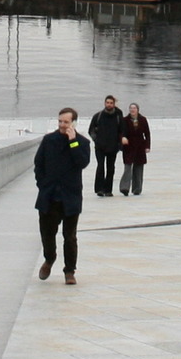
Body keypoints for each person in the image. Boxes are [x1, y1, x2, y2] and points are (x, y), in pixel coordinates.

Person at [34, 108, 91, 285]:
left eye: (65, 122)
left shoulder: (82, 142)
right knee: (47, 233)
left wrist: (72, 141)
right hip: (49, 196)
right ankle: (49, 259)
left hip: (70, 197)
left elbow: (82, 162)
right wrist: (42, 184)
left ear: (73, 123)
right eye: (60, 121)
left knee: (70, 236)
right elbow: (38, 164)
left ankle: (69, 271)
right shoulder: (49, 140)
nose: (62, 125)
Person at [88, 95, 124, 196]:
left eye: (111, 103)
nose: (109, 105)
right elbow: (91, 130)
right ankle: (99, 189)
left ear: (114, 104)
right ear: (104, 103)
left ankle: (108, 190)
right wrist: (96, 140)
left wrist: (119, 144)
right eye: (107, 103)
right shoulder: (98, 116)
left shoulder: (118, 117)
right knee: (100, 167)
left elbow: (122, 131)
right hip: (100, 147)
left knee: (110, 168)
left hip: (113, 147)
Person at [118, 103, 150, 196]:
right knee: (127, 167)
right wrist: (122, 138)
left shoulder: (143, 120)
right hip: (129, 145)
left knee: (138, 167)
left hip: (140, 145)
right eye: (131, 108)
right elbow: (121, 132)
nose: (132, 110)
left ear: (138, 109)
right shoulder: (125, 120)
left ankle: (137, 188)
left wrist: (147, 146)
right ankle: (124, 187)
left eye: (134, 108)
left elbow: (147, 134)